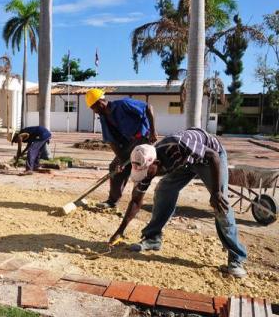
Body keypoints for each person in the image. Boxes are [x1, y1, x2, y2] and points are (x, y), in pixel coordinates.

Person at [108, 128, 247, 278]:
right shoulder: (145, 165)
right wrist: (120, 230)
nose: (146, 177)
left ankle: (236, 258)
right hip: (185, 162)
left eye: (147, 173)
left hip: (211, 158)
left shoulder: (178, 145)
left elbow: (213, 156)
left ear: (156, 163)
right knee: (163, 190)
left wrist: (216, 192)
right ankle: (153, 238)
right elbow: (136, 200)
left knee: (221, 204)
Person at [85, 88, 158, 209]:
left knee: (139, 166)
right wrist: (121, 160)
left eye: (94, 108)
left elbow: (148, 108)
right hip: (130, 143)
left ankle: (137, 202)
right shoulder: (104, 118)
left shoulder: (123, 104)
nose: (94, 111)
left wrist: (153, 132)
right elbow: (111, 141)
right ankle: (112, 202)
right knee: (115, 167)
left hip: (144, 138)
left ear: (100, 103)